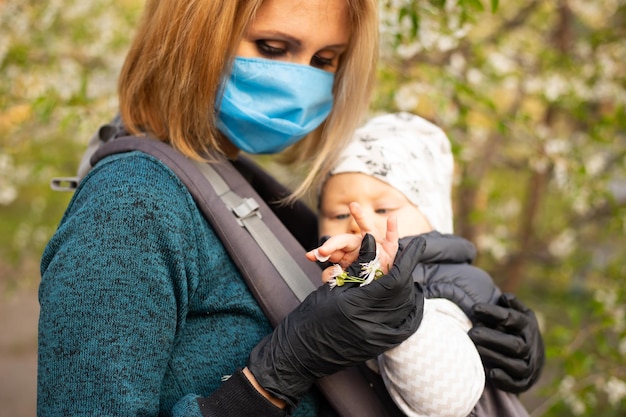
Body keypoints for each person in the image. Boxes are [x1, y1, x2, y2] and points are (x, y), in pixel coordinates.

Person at [38, 1, 544, 416]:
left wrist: (469, 339)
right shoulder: (132, 205)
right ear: (193, 36)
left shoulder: (239, 183)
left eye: (325, 60)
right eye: (273, 48)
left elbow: (349, 310)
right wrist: (274, 377)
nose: (299, 82)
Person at [308, 112, 542, 417]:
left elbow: (443, 400)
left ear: (432, 216)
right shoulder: (326, 277)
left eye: (383, 208)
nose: (357, 224)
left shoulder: (452, 285)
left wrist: (388, 303)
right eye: (339, 214)